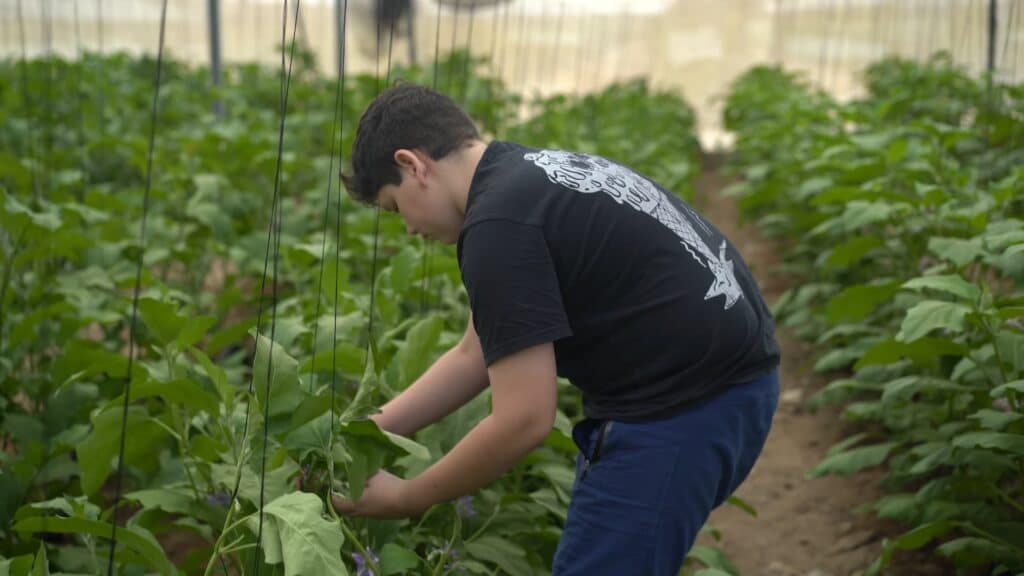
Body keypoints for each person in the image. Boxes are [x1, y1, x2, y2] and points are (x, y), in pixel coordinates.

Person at [333, 82, 781, 576]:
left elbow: (524, 419)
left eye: (396, 208)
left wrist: (407, 497)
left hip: (680, 413)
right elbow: (474, 354)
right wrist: (370, 431)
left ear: (413, 165)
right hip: (733, 387)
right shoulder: (523, 178)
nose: (410, 230)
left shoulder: (498, 227)